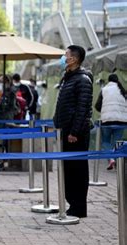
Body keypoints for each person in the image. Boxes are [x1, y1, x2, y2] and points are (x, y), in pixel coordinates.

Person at [53, 45, 93, 218]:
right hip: (66, 130)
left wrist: (74, 132)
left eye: (66, 55)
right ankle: (72, 204)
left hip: (76, 134)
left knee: (77, 170)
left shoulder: (82, 79)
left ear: (74, 59)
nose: (63, 58)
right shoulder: (69, 78)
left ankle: (78, 207)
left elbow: (82, 109)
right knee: (68, 170)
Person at [95, 73, 127, 170]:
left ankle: (111, 158)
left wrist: (106, 111)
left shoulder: (104, 90)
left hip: (107, 121)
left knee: (105, 141)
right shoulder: (123, 91)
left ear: (108, 80)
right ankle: (116, 160)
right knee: (116, 142)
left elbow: (97, 106)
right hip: (121, 121)